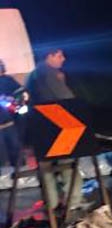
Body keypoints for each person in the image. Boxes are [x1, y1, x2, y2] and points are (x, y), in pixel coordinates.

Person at [24, 49, 83, 212]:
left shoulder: (32, 74)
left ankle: (51, 204)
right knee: (68, 166)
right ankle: (74, 203)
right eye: (59, 55)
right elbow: (66, 99)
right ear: (48, 56)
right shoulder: (50, 73)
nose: (63, 58)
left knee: (45, 168)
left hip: (40, 128)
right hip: (60, 126)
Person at [0, 59, 25, 166]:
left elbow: (20, 93)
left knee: (16, 151)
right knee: (2, 157)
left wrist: (15, 101)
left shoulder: (8, 80)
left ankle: (22, 176)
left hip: (9, 122)